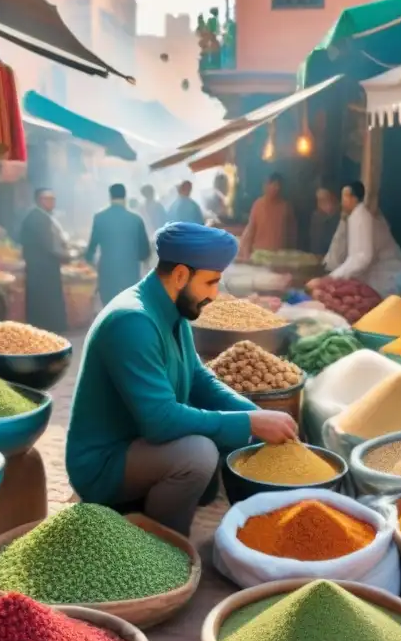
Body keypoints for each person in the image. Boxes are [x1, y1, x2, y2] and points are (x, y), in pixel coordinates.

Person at [66, 222, 299, 534]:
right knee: (198, 454)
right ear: (179, 275)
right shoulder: (132, 321)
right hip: (104, 463)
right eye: (210, 282)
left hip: (138, 444)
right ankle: (161, 548)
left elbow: (199, 379)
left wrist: (254, 415)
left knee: (223, 441)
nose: (214, 295)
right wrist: (249, 423)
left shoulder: (173, 312)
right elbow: (160, 421)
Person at [309, 181, 401, 298]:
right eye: (320, 201)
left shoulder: (361, 216)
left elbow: (361, 258)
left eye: (327, 200)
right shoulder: (344, 218)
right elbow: (336, 253)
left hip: (390, 283)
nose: (324, 206)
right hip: (374, 284)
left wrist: (328, 280)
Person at [86, 184, 151, 306]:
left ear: (110, 196)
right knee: (129, 307)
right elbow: (145, 252)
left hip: (107, 273)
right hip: (130, 273)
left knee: (109, 308)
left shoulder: (99, 218)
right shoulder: (136, 219)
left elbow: (91, 249)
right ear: (125, 196)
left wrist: (90, 261)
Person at [19, 187, 71, 334]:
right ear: (40, 200)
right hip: (42, 269)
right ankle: (48, 329)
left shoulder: (41, 216)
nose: (52, 202)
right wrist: (66, 256)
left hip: (41, 267)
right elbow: (49, 245)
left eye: (53, 199)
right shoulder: (38, 218)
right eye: (49, 199)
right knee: (45, 303)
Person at [238, 173, 296, 260]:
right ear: (265, 185)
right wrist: (246, 255)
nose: (276, 188)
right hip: (260, 254)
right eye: (273, 184)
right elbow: (250, 231)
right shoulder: (258, 205)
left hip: (279, 256)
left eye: (278, 185)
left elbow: (292, 234)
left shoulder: (286, 207)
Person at [309, 186, 340, 255]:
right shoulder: (316, 217)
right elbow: (315, 242)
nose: (320, 204)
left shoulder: (341, 218)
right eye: (319, 201)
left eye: (324, 200)